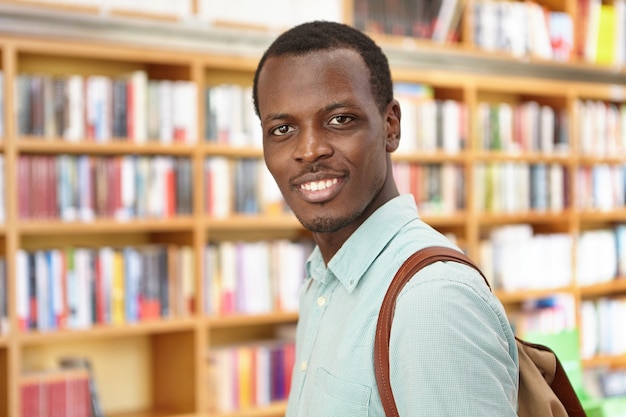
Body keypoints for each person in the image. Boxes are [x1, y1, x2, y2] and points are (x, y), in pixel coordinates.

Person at [253, 20, 519, 416]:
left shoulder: (431, 299)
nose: (308, 150)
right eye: (283, 128)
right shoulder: (321, 281)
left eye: (340, 119)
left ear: (390, 126)